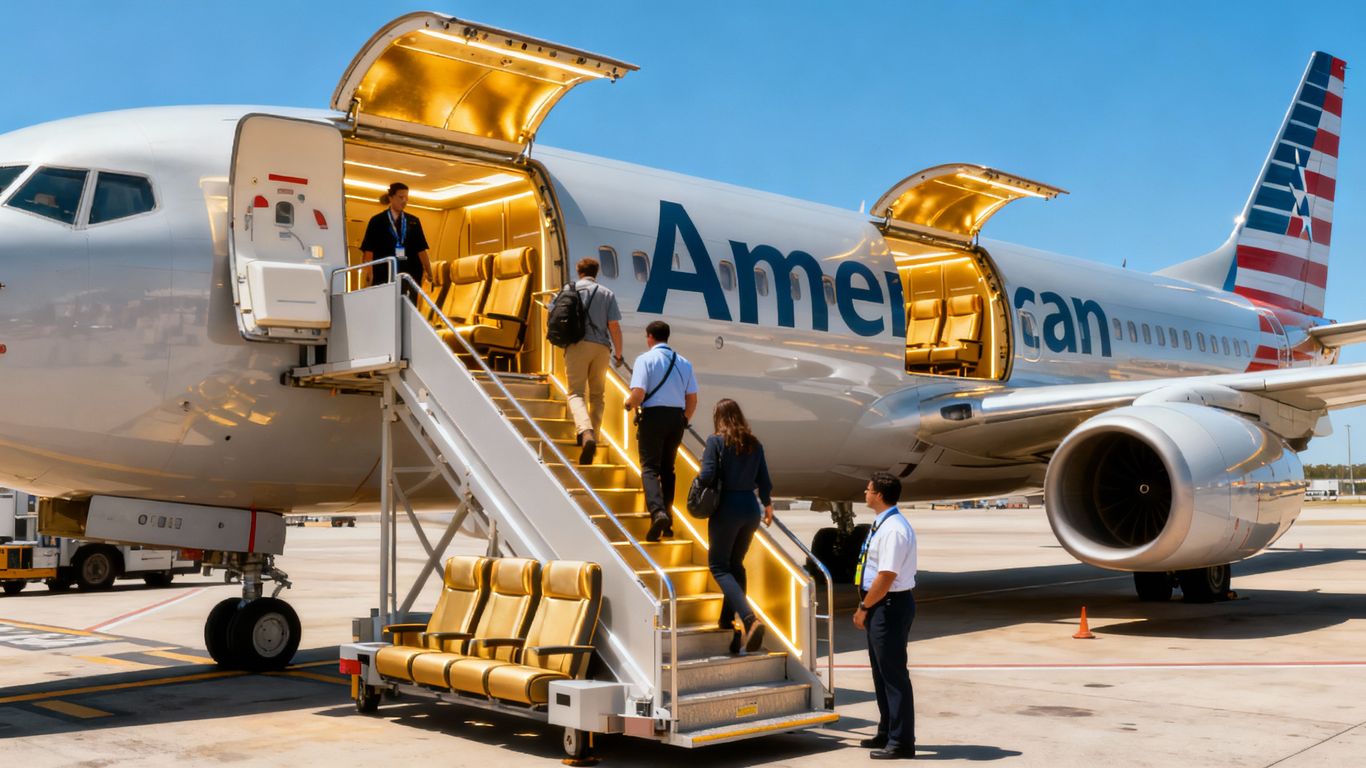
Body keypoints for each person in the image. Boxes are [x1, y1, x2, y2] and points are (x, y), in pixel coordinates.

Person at [698, 398, 774, 655]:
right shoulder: (754, 443)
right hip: (750, 509)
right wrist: (768, 505)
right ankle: (727, 620)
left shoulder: (715, 441)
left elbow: (707, 476)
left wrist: (702, 470)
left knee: (718, 566)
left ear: (718, 417)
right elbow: (764, 479)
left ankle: (749, 620)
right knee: (735, 564)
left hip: (727, 508)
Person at [853, 472, 918, 760]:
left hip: (888, 606)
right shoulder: (883, 523)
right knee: (881, 674)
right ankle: (887, 731)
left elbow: (887, 575)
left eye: (868, 489)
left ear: (878, 494)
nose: (865, 493)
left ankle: (902, 742)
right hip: (882, 605)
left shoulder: (893, 529)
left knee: (893, 676)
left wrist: (865, 607)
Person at [625, 321, 697, 542]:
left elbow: (638, 394)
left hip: (654, 416)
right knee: (668, 470)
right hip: (677, 418)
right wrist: (683, 420)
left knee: (649, 468)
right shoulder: (684, 363)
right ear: (667, 337)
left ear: (649, 337)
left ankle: (657, 513)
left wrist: (627, 404)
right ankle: (668, 524)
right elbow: (692, 399)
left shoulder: (644, 360)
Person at [564, 257, 624, 466]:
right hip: (601, 348)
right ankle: (594, 437)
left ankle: (585, 432)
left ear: (579, 272)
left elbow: (553, 312)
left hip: (577, 345)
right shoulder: (607, 293)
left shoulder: (569, 290)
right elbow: (614, 326)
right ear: (596, 272)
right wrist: (619, 354)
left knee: (576, 393)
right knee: (598, 395)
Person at [360, 182, 432, 288]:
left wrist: (429, 271)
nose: (404, 201)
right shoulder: (377, 221)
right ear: (391, 198)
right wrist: (369, 272)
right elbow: (369, 250)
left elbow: (421, 249)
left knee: (407, 303)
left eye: (406, 198)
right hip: (384, 274)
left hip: (410, 274)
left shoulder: (413, 221)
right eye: (401, 197)